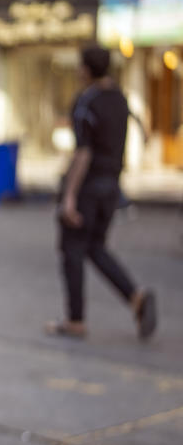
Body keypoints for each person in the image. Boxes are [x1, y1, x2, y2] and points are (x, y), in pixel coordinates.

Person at [45, 46, 156, 340]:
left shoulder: (87, 101)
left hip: (88, 187)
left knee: (72, 250)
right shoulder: (120, 98)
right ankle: (136, 296)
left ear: (86, 69)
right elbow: (143, 129)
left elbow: (83, 153)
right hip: (111, 186)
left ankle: (75, 320)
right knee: (95, 247)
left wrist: (69, 196)